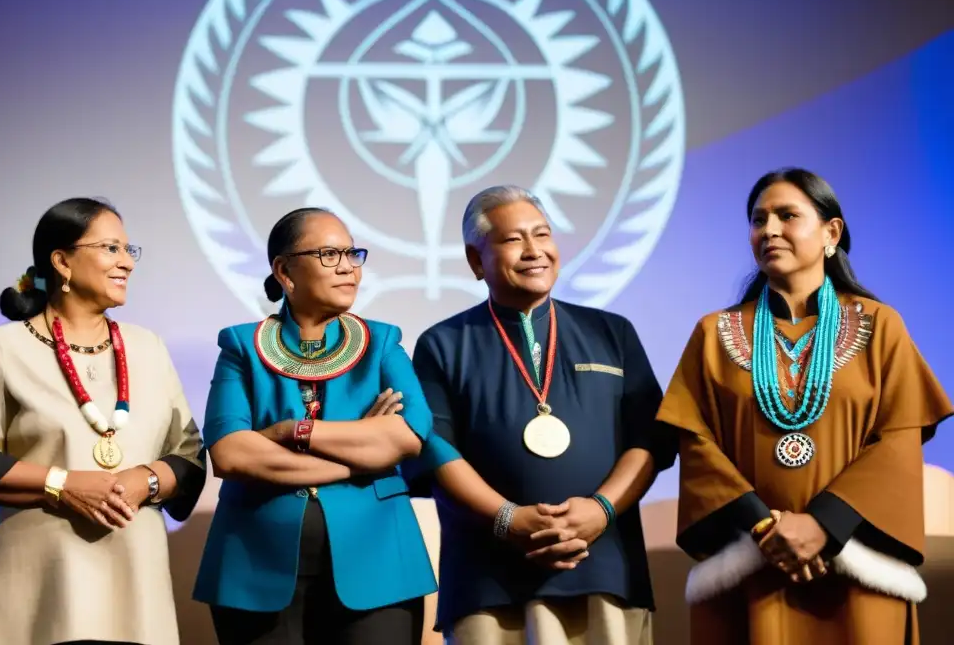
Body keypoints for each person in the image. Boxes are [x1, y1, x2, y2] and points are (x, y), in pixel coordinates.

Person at [656, 168, 953, 644]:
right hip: (752, 567)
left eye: (787, 215)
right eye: (758, 219)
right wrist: (762, 526)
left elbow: (899, 436)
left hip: (857, 571)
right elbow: (695, 441)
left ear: (831, 232)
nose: (769, 229)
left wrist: (824, 525)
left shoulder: (881, 325)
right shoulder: (713, 333)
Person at [408, 185, 673, 644]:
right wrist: (508, 519)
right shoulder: (443, 343)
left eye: (543, 235)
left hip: (603, 568)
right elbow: (435, 451)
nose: (535, 251)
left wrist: (601, 509)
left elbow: (650, 440)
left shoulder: (612, 332)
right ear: (476, 261)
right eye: (514, 240)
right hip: (490, 581)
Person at [0, 197, 207, 645]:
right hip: (35, 591)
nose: (126, 262)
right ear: (62, 262)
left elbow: (189, 458)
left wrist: (144, 479)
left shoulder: (148, 347)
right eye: (111, 248)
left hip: (134, 586)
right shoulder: (4, 347)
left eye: (130, 251)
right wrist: (65, 484)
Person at [193, 207, 437, 645]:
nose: (347, 266)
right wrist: (360, 456)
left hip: (378, 560)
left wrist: (292, 432)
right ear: (285, 271)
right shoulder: (239, 346)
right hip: (255, 563)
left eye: (351, 253)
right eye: (328, 253)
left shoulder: (382, 342)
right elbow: (229, 453)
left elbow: (409, 433)